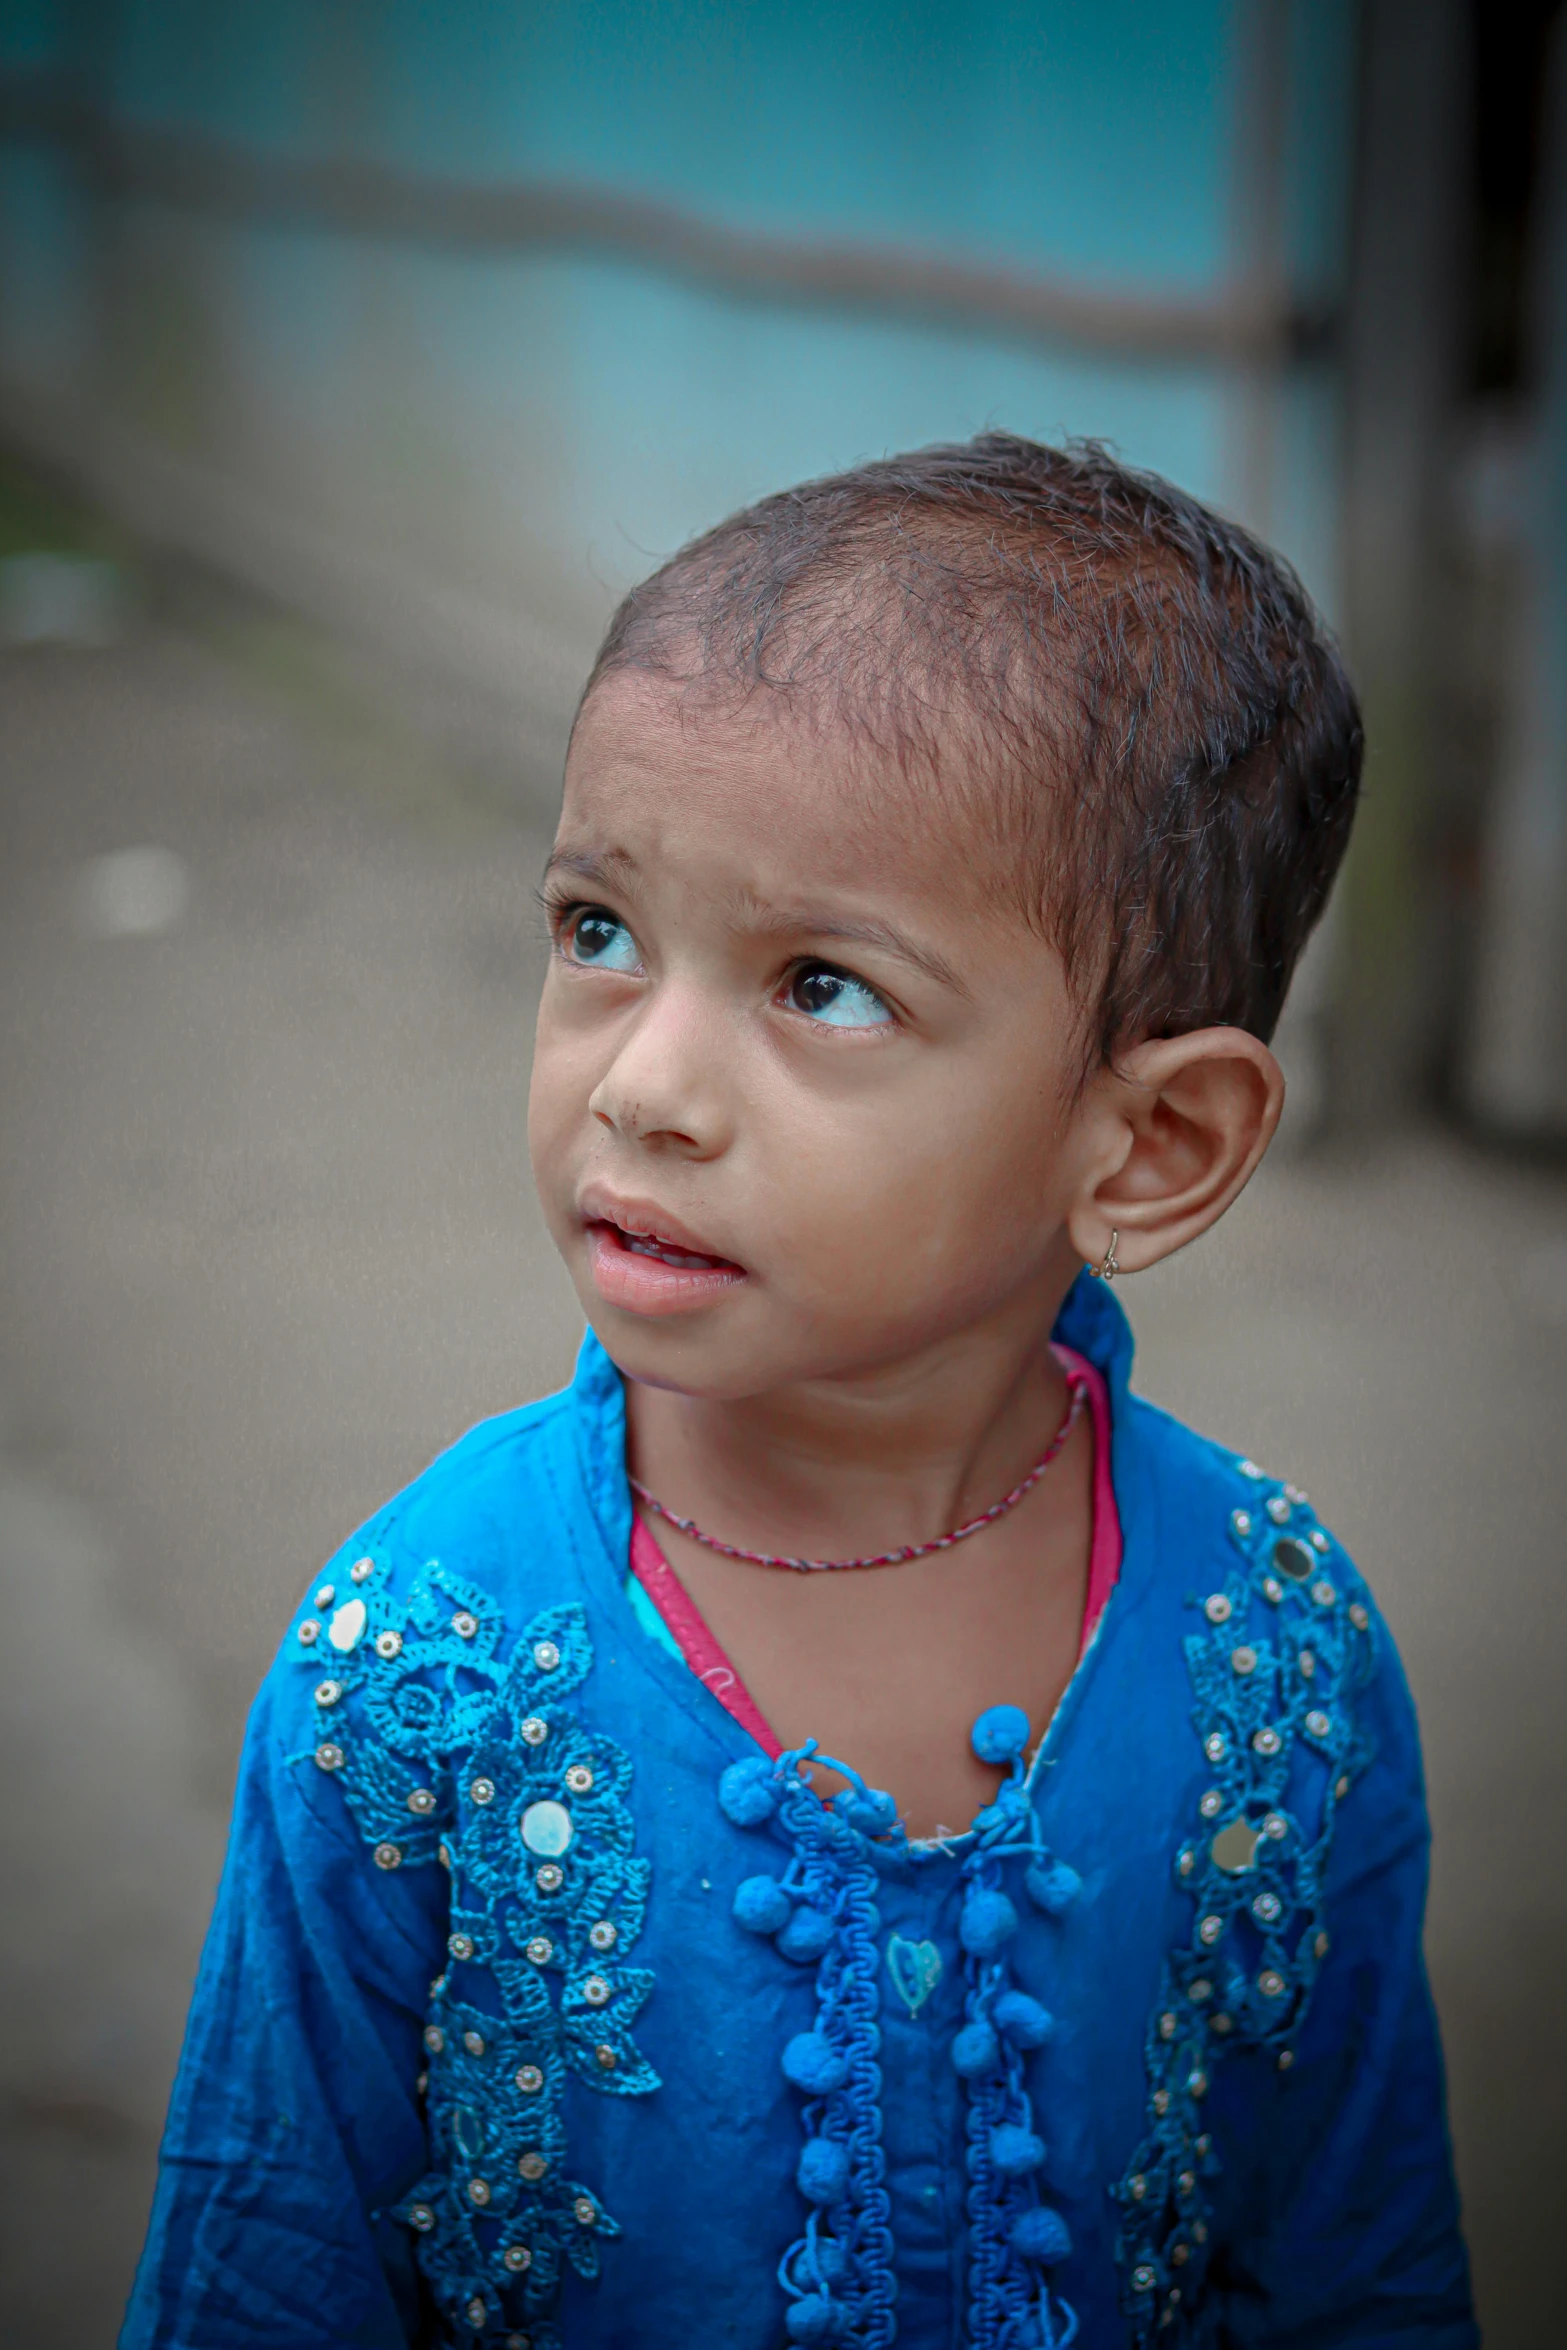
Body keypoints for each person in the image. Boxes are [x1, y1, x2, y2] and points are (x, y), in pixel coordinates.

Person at [122, 435, 1476, 2350]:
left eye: (822, 986)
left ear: (1151, 1141)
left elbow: (1362, 2263)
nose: (643, 1085)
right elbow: (260, 2266)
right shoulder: (417, 1653)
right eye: (598, 932)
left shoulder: (1274, 1649)